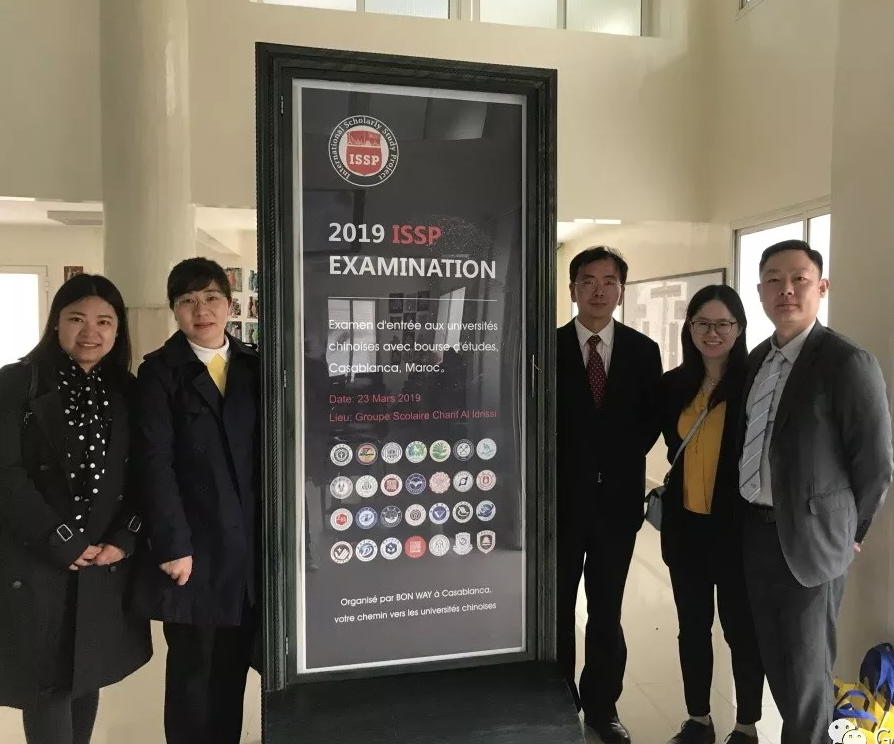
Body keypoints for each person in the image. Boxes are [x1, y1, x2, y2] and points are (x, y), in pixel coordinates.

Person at [738, 239, 893, 744]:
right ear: (760, 291)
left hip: (813, 543)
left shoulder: (847, 362)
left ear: (821, 287)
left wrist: (852, 532)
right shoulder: (757, 361)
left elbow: (875, 465)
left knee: (807, 676)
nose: (786, 290)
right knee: (777, 666)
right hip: (757, 533)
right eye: (773, 280)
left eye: (798, 279)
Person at [0, 274, 151, 744]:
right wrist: (59, 539)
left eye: (104, 321)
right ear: (56, 323)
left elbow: (144, 474)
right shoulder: (17, 382)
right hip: (37, 560)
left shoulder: (126, 389)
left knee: (84, 676)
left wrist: (124, 540)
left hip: (101, 563)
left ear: (118, 329)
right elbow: (6, 472)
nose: (91, 332)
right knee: (47, 686)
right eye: (77, 319)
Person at [130, 257, 260, 744]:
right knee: (193, 673)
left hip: (248, 547)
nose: (200, 310)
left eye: (210, 298)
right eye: (186, 301)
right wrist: (172, 544)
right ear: (174, 310)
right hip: (193, 550)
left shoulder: (254, 365)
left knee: (233, 668)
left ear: (229, 304)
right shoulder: (160, 373)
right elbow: (154, 463)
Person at [556, 246, 663, 744]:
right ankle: (556, 700)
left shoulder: (644, 351)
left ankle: (602, 707)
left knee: (606, 610)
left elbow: (650, 421)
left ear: (622, 290)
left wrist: (612, 463)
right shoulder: (548, 346)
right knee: (555, 608)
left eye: (609, 281)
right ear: (572, 288)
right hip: (558, 503)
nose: (598, 290)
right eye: (588, 281)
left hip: (617, 505)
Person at [659, 285, 764, 744]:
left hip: (736, 532)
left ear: (739, 329)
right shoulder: (674, 385)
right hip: (686, 529)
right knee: (692, 629)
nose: (712, 332)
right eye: (702, 323)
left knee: (741, 630)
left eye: (723, 324)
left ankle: (746, 725)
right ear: (690, 328)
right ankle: (698, 719)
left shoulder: (754, 385)